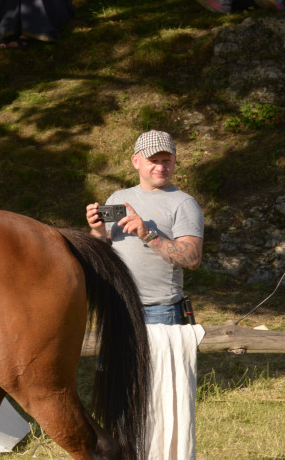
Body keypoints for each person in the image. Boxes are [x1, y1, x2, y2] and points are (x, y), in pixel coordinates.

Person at [86, 130, 204, 459]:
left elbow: (192, 258)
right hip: (119, 310)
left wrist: (147, 232)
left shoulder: (183, 203)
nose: (161, 166)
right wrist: (97, 231)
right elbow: (101, 253)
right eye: (154, 160)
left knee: (157, 403)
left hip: (160, 313)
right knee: (120, 398)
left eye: (167, 160)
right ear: (136, 161)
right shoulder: (118, 197)